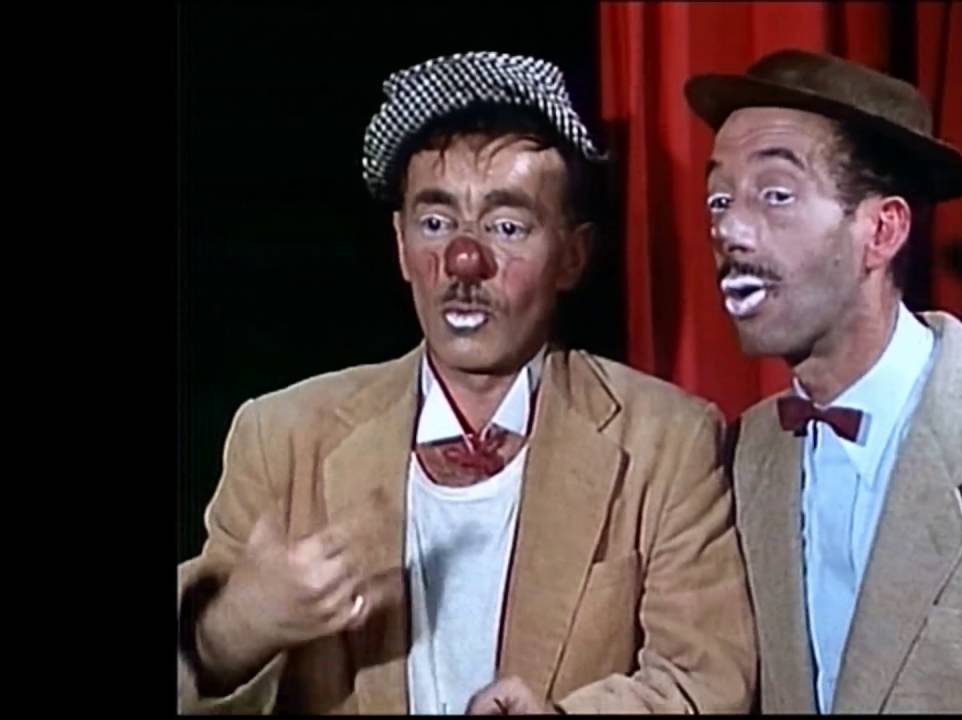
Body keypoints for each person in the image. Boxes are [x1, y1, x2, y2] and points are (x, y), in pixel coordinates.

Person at [177, 50, 755, 715]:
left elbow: (705, 680)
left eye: (507, 226)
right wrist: (233, 630)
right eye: (436, 223)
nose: (464, 259)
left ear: (572, 256)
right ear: (401, 245)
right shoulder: (282, 437)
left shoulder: (667, 441)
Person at [683, 49, 962, 713]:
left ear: (882, 231)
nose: (730, 230)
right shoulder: (742, 454)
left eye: (776, 195)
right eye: (719, 199)